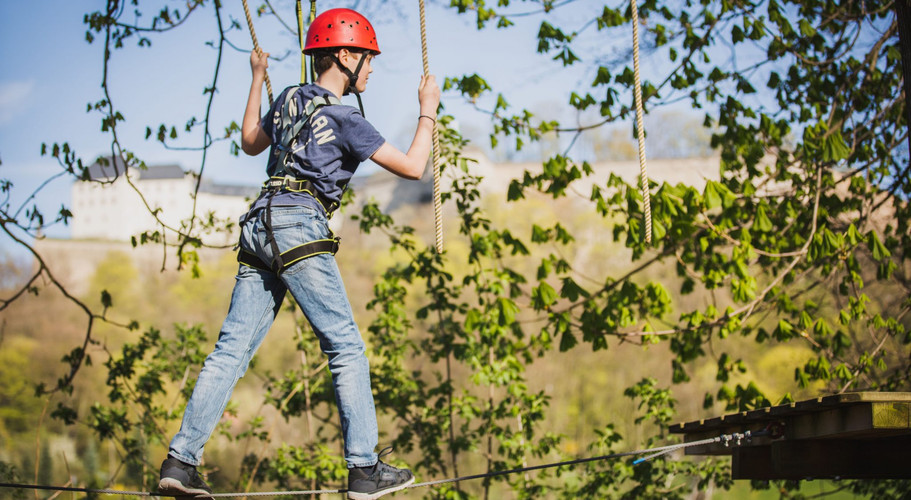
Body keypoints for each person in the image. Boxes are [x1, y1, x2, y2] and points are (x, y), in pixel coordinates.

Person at [157, 8, 440, 500]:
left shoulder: (289, 98)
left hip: (259, 222)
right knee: (346, 348)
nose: (372, 67)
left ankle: (180, 463)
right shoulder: (347, 119)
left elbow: (250, 142)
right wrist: (428, 109)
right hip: (298, 224)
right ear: (345, 56)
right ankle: (364, 469)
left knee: (229, 352)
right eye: (368, 57)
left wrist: (257, 78)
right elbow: (415, 167)